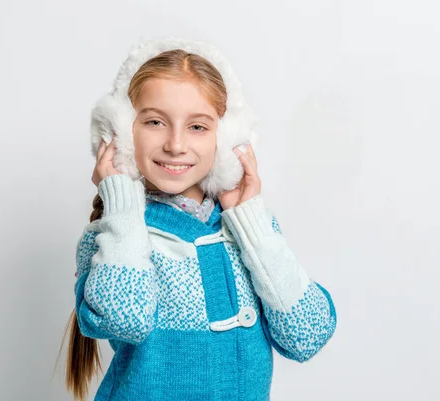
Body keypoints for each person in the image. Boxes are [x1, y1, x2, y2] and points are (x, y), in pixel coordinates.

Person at [59, 37, 337, 401]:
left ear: (227, 140)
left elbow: (307, 336)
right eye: (155, 122)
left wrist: (249, 220)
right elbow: (122, 319)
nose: (176, 144)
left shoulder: (252, 231)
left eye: (198, 127)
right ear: (121, 134)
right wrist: (123, 205)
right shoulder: (111, 236)